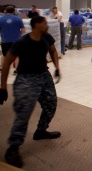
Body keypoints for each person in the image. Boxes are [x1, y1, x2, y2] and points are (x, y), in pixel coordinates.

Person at [0, 16, 61, 168]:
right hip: (26, 79)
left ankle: (41, 131)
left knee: (51, 103)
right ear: (36, 25)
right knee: (24, 114)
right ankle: (13, 148)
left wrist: (57, 68)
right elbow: (7, 61)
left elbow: (53, 51)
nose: (47, 25)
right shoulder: (22, 42)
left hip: (44, 75)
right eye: (44, 23)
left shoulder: (46, 37)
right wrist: (3, 87)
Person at [0, 6, 26, 72]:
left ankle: (3, 68)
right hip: (16, 40)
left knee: (4, 55)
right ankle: (17, 69)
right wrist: (18, 33)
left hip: (5, 40)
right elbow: (23, 30)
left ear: (5, 11)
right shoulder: (18, 19)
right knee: (17, 55)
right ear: (14, 11)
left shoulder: (1, 19)